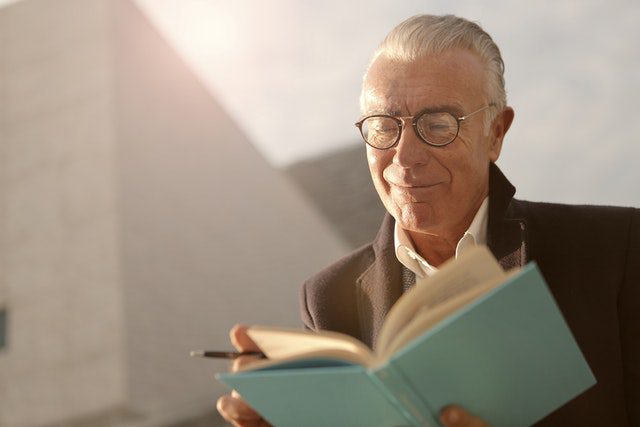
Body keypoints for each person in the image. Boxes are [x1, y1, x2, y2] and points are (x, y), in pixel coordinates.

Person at [217, 14, 640, 427]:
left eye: (438, 125)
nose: (404, 157)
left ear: (496, 133)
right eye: (384, 127)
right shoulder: (326, 300)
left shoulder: (617, 251)